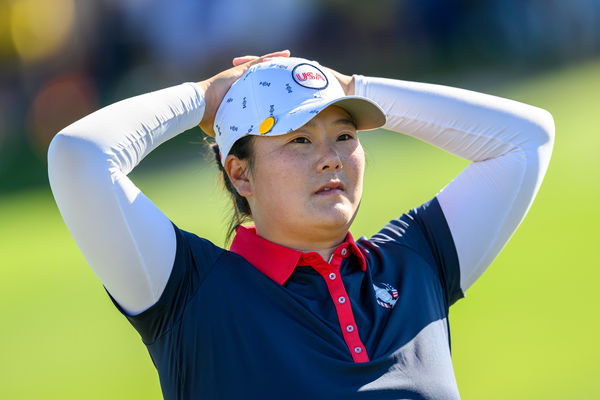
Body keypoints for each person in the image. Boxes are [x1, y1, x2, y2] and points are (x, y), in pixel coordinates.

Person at [47, 50, 554, 399]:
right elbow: (80, 157)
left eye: (345, 134)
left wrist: (350, 86)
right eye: (299, 140)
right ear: (240, 173)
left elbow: (527, 138)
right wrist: (204, 97)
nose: (331, 158)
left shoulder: (414, 262)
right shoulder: (188, 292)